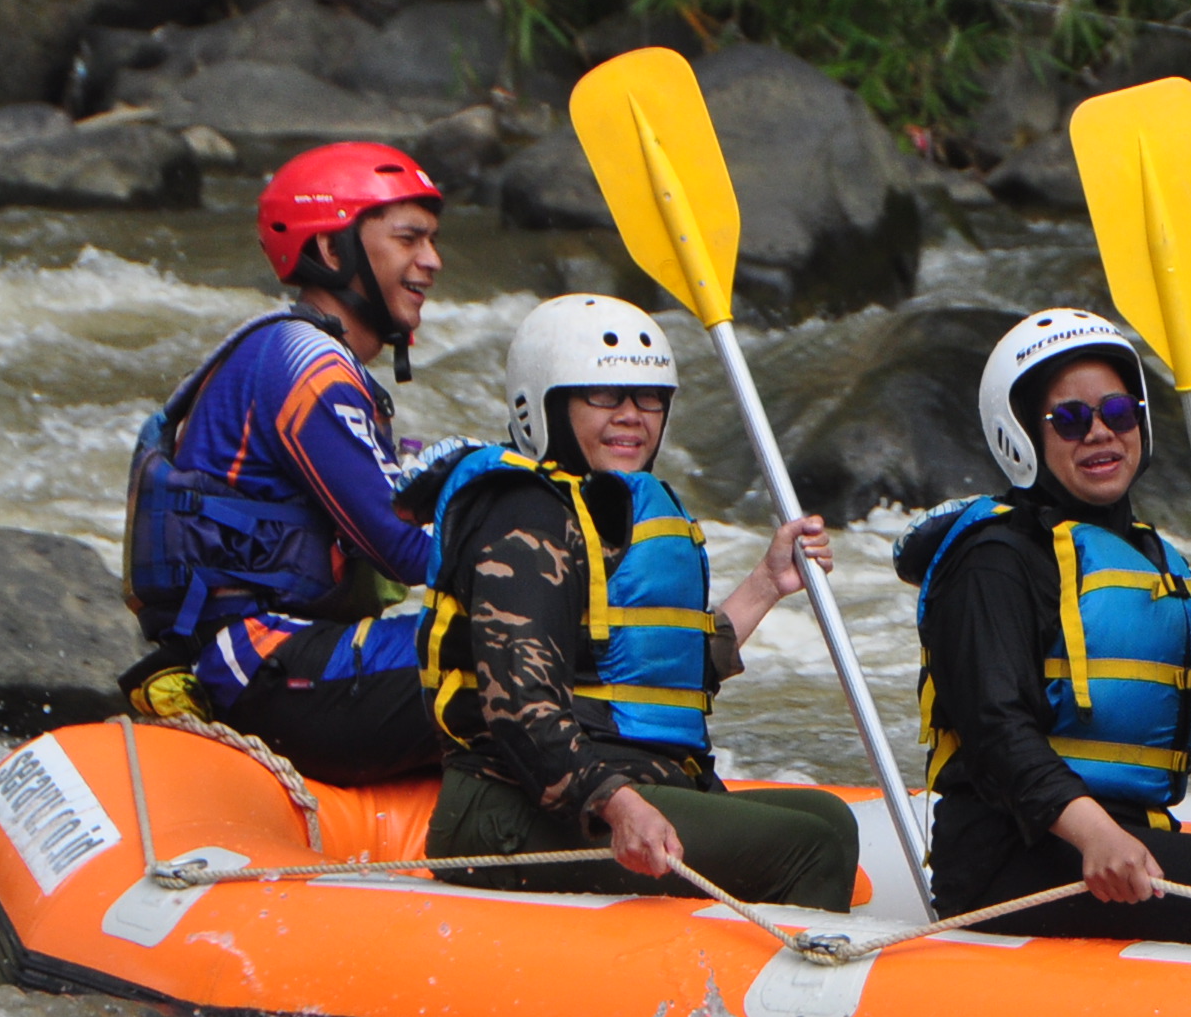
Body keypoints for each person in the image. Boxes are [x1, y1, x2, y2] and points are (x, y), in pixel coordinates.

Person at [894, 307, 1191, 953]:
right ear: (1023, 433)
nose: (1101, 434)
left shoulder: (1153, 555)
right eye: (1072, 420)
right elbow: (994, 730)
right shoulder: (993, 559)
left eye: (1117, 412)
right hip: (1015, 859)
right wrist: (1092, 834)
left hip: (1126, 838)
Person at [405, 296, 860, 910]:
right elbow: (519, 704)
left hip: (616, 780)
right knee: (808, 846)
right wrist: (617, 804)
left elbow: (639, 674)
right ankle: (785, 1004)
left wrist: (766, 584)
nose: (631, 417)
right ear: (542, 404)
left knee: (829, 818)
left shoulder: (602, 507)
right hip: (513, 807)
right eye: (603, 395)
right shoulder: (523, 514)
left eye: (648, 398)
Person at [117, 143, 447, 783]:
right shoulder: (306, 364)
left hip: (253, 652)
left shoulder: (289, 349)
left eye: (432, 241)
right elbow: (406, 549)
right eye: (409, 239)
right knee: (524, 649)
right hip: (259, 662)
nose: (432, 262)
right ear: (331, 251)